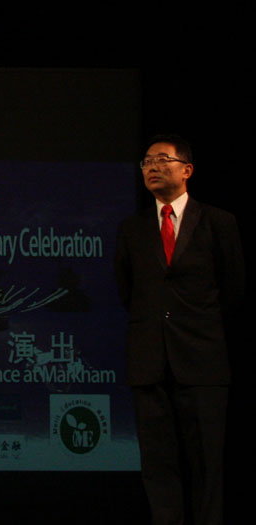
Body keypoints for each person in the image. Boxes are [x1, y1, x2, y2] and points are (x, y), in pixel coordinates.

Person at [114, 134, 245, 524]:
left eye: (162, 160)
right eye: (146, 162)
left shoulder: (218, 222)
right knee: (158, 467)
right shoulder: (132, 228)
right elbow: (127, 292)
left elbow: (233, 290)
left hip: (202, 364)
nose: (152, 167)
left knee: (207, 467)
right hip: (150, 365)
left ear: (187, 170)